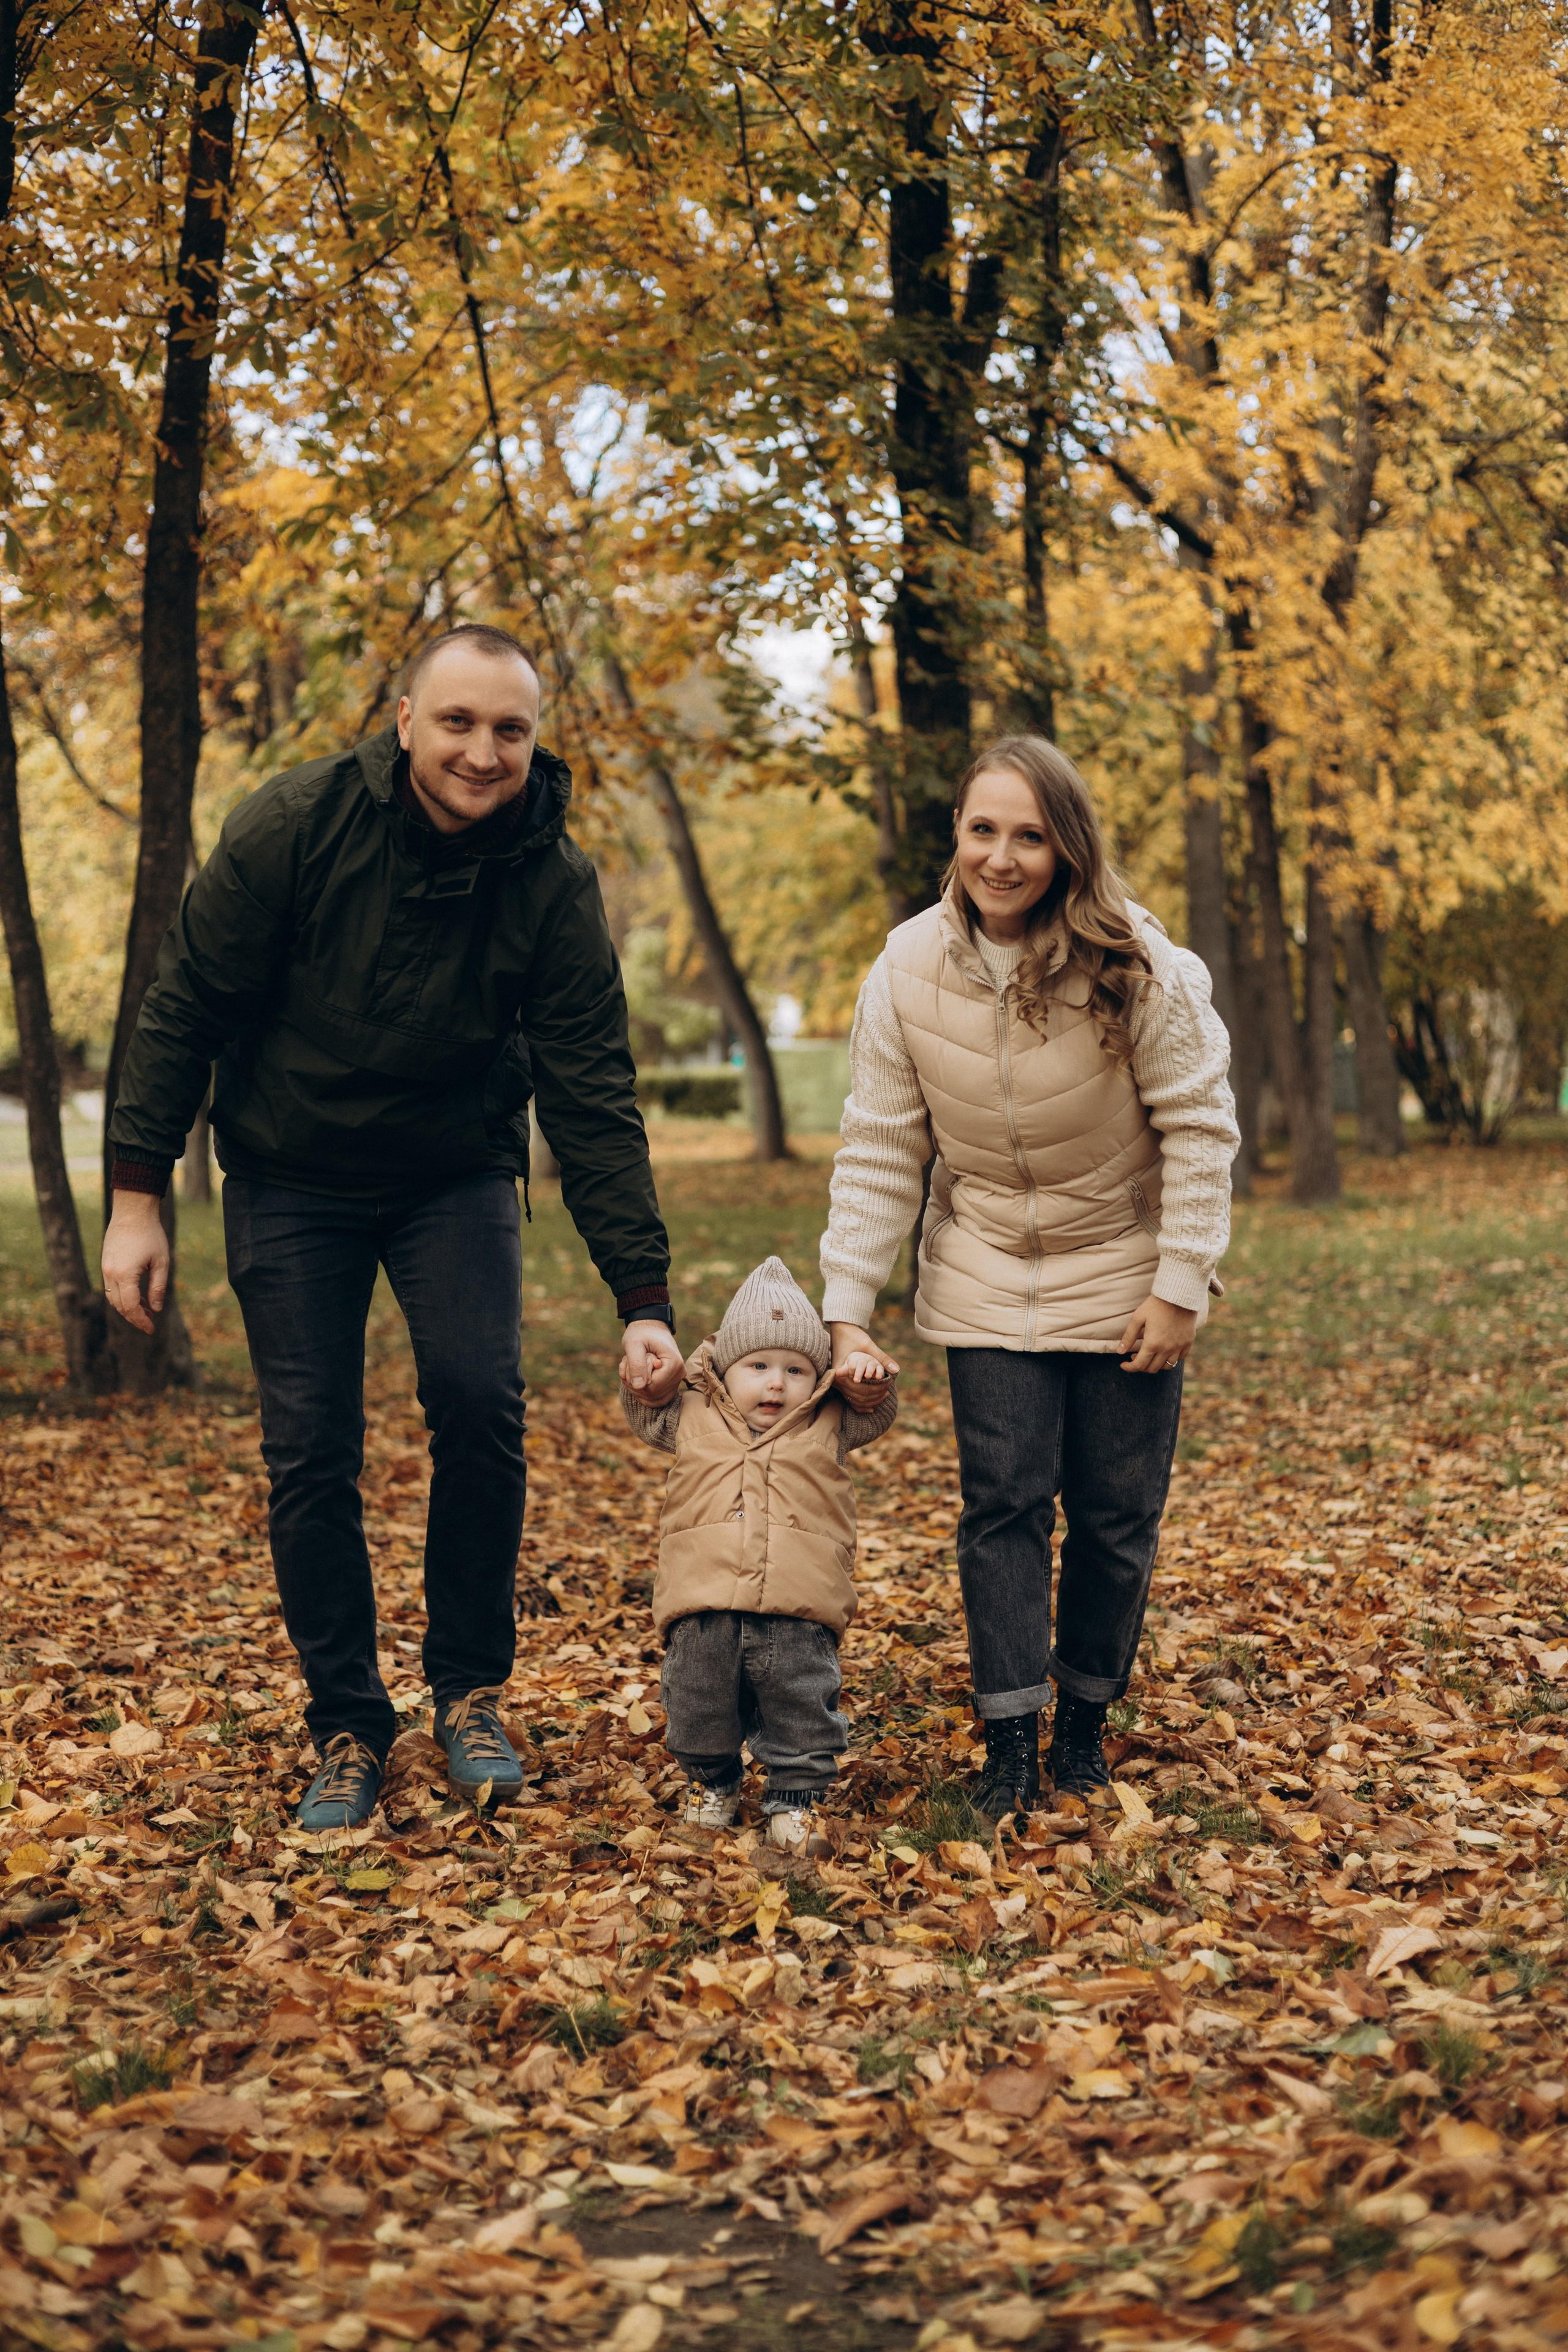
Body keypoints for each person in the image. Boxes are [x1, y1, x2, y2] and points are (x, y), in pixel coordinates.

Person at [101, 624, 685, 1830]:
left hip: (451, 1175)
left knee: (480, 1401)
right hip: (290, 1174)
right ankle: (346, 1724)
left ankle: (468, 1691)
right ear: (407, 718)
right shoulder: (295, 827)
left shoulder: (551, 882)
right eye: (459, 722)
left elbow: (591, 1091)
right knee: (311, 1450)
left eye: (509, 730)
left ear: (533, 740)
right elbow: (183, 1010)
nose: (482, 752)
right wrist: (134, 1199)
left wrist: (641, 1296)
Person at [819, 736, 1238, 1818]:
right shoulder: (906, 968)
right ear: (956, 837)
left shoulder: (1137, 962)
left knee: (1113, 1515)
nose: (1001, 858)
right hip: (984, 1266)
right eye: (982, 831)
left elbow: (1200, 1127)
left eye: (1029, 836)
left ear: (1066, 847)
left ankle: (1084, 1731)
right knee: (1003, 1507)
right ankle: (1010, 1741)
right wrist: (845, 1313)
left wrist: (1182, 1282)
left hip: (1125, 1270)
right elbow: (879, 1147)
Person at [621, 1256, 895, 1853]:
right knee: (696, 1703)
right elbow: (646, 1410)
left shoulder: (828, 1421)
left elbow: (875, 1412)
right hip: (702, 1603)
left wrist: (866, 1380)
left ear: (819, 1378)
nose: (776, 1383)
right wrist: (646, 1375)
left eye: (796, 1369)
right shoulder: (691, 1413)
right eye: (758, 1366)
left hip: (800, 1608)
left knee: (801, 1708)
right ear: (723, 1369)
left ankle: (795, 1797)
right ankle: (712, 1783)